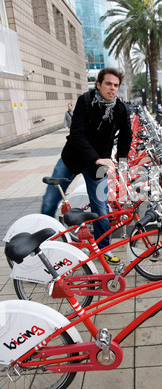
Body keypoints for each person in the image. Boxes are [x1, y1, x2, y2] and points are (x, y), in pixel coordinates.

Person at [41, 68, 132, 264]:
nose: (112, 89)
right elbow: (77, 133)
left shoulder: (120, 109)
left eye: (116, 85)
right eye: (108, 84)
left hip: (98, 164)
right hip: (72, 159)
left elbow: (126, 137)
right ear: (98, 84)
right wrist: (95, 158)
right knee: (50, 201)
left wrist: (122, 163)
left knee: (101, 207)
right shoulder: (85, 101)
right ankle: (43, 244)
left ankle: (103, 249)